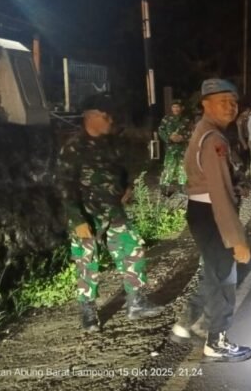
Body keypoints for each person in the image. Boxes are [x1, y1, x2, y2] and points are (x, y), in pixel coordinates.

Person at [57, 93, 164, 332]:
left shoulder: (111, 143)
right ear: (91, 116)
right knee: (86, 262)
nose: (110, 120)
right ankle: (88, 314)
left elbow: (121, 169)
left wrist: (127, 186)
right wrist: (77, 219)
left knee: (132, 248)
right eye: (105, 116)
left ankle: (135, 303)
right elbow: (65, 185)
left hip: (113, 211)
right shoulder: (74, 147)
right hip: (86, 215)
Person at [169, 78, 251, 362]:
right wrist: (236, 239)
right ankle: (216, 342)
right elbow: (221, 193)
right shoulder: (214, 140)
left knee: (214, 273)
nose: (230, 107)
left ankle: (185, 324)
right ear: (206, 104)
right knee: (225, 279)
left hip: (202, 212)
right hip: (212, 215)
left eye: (233, 101)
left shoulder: (204, 131)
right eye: (222, 102)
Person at [158, 100, 191, 196]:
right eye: (174, 107)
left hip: (183, 148)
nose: (176, 109)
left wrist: (183, 137)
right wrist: (169, 138)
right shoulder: (166, 119)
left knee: (183, 167)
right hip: (170, 148)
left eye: (178, 107)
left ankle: (182, 187)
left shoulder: (186, 120)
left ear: (182, 108)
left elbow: (192, 131)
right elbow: (161, 130)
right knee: (169, 166)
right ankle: (164, 187)